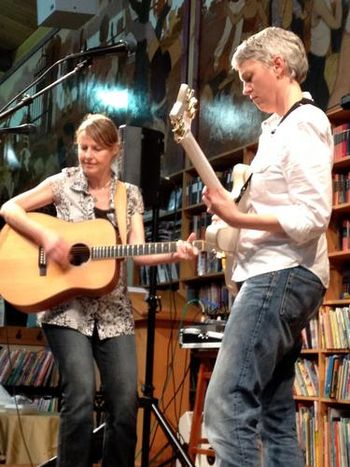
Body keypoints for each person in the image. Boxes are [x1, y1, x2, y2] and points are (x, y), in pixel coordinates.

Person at [0, 113, 198, 467]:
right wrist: (47, 236)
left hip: (114, 314)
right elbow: (9, 208)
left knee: (124, 405)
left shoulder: (129, 196)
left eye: (96, 149)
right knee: (79, 398)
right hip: (66, 311)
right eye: (82, 147)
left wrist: (175, 251)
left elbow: (141, 252)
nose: (87, 155)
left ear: (114, 151)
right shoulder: (62, 183)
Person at [202, 27, 333, 466]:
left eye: (248, 74)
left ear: (278, 65)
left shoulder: (306, 123)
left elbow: (314, 215)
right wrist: (228, 220)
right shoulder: (277, 129)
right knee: (275, 417)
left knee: (225, 402)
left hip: (280, 274)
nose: (243, 87)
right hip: (276, 273)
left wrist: (237, 217)